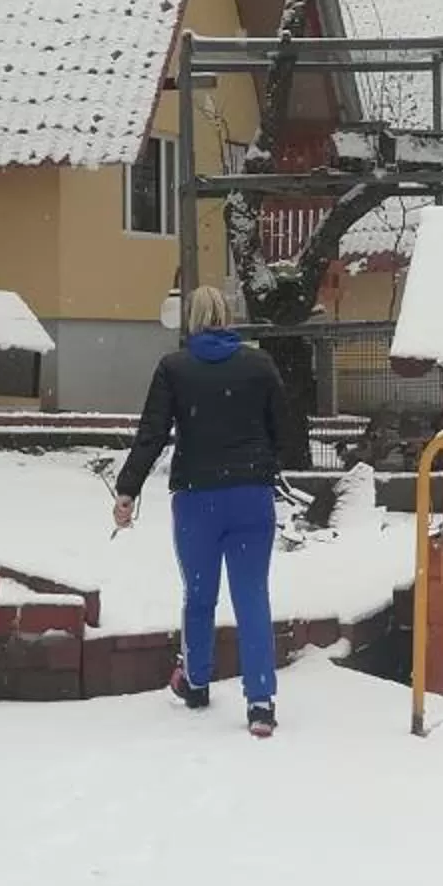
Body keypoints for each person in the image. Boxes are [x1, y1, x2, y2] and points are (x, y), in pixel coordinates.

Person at [113, 285, 289, 737]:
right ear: (228, 316)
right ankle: (261, 701)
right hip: (251, 494)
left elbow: (151, 433)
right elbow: (285, 428)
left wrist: (127, 489)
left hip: (197, 499)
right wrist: (267, 464)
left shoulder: (175, 368)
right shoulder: (259, 365)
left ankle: (195, 681)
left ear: (190, 319)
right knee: (252, 595)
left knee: (199, 594)